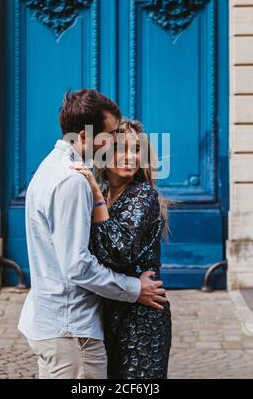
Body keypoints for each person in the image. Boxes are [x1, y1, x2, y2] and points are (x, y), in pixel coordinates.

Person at [18, 89, 167, 379]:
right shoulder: (73, 181)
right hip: (71, 328)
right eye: (111, 135)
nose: (114, 142)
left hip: (64, 324)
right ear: (85, 136)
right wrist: (134, 289)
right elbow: (77, 265)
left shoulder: (48, 169)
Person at [72, 118, 172, 379]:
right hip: (106, 312)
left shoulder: (142, 195)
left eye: (136, 150)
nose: (129, 157)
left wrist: (95, 195)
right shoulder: (104, 192)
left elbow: (119, 251)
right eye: (120, 149)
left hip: (141, 320)